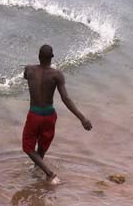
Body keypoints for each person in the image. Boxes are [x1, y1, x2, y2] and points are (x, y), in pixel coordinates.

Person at [22, 44, 93, 183]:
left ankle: (49, 174)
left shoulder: (29, 69)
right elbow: (65, 98)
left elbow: (26, 77)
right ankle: (37, 170)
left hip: (34, 115)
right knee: (42, 146)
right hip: (49, 115)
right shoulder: (57, 75)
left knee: (28, 147)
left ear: (38, 56)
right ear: (52, 58)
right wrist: (82, 118)